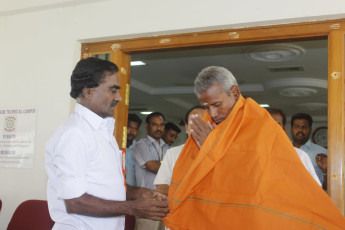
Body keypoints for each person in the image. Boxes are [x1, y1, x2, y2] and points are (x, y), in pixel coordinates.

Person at [164, 66, 345, 230]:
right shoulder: (208, 125)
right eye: (206, 107)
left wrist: (213, 151)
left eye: (217, 105)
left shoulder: (260, 124)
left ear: (234, 92)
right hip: (221, 217)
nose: (213, 113)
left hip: (257, 216)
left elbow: (257, 178)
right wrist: (209, 151)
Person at [45, 57, 168, 230]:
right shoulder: (74, 133)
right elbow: (75, 202)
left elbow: (107, 189)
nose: (118, 97)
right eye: (113, 90)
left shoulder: (103, 132)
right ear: (88, 92)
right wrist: (134, 208)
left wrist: (141, 193)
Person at [154, 106, 206, 195]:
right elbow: (161, 186)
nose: (198, 128)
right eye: (194, 124)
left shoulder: (218, 153)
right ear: (186, 127)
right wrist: (185, 195)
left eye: (202, 124)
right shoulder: (173, 153)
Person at [134, 112, 169, 230]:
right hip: (147, 204)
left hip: (164, 203)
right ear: (147, 126)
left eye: (162, 125)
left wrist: (163, 165)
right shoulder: (141, 145)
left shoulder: (167, 147)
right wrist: (167, 166)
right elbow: (152, 167)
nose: (159, 128)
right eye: (155, 125)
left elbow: (174, 169)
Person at [266, 108, 321, 185]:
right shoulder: (249, 154)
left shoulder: (300, 155)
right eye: (267, 123)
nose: (272, 128)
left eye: (277, 124)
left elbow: (314, 189)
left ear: (284, 129)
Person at [290, 113, 328, 186]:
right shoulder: (282, 150)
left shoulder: (323, 153)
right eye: (297, 127)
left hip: (313, 196)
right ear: (291, 129)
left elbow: (328, 185)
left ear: (310, 130)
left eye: (304, 127)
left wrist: (325, 171)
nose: (300, 130)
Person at [126, 113, 142, 187]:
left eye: (135, 129)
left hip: (132, 193)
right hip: (116, 192)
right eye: (129, 127)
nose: (132, 132)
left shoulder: (139, 149)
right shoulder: (116, 147)